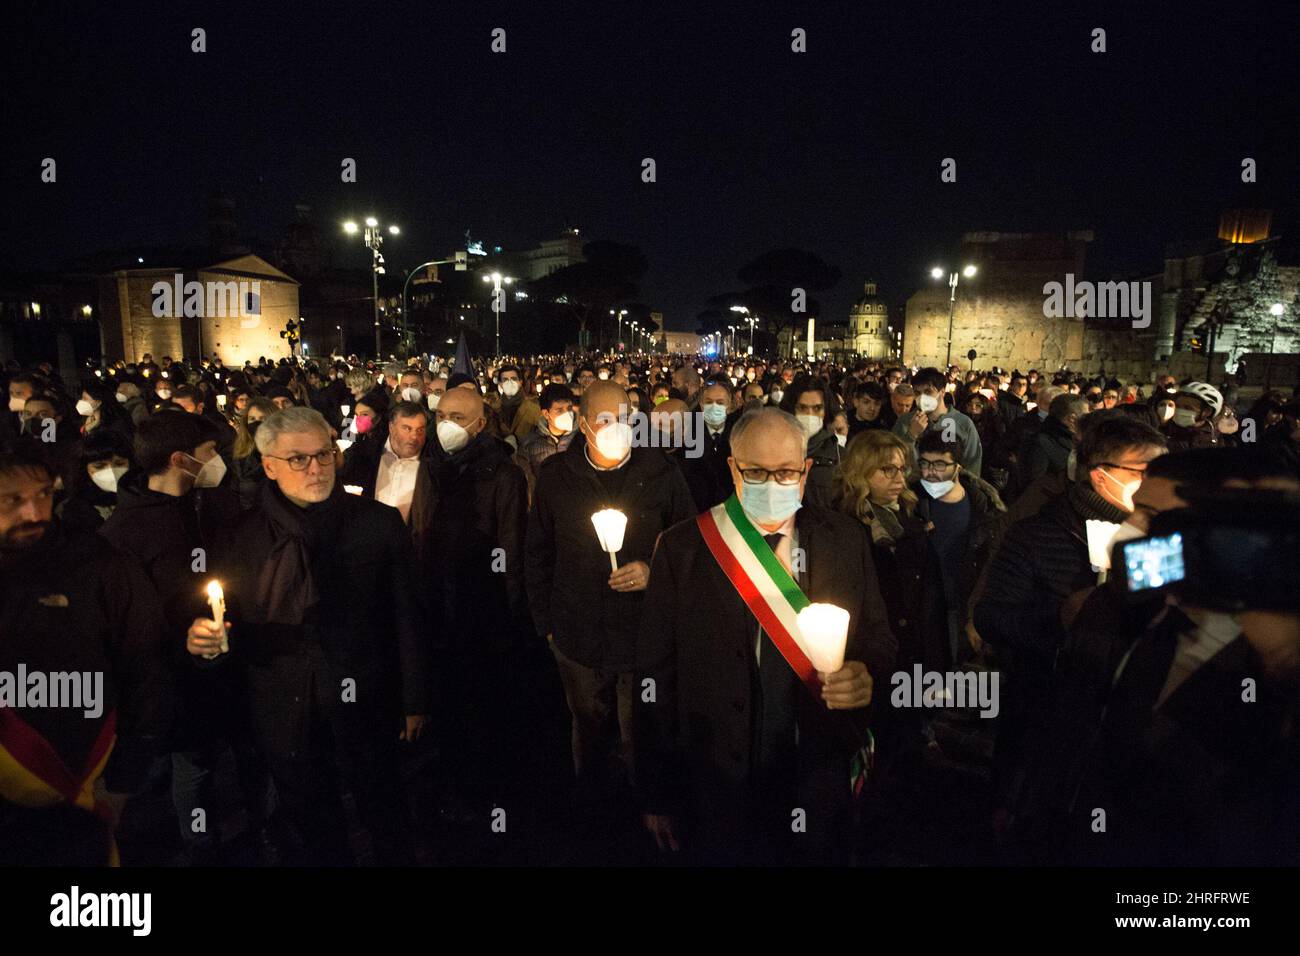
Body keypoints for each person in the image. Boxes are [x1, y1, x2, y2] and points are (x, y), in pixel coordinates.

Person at [635, 408, 897, 864]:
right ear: (733, 467)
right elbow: (656, 675)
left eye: (786, 472)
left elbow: (878, 638)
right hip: (716, 778)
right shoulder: (685, 547)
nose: (772, 483)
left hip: (813, 769)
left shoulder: (845, 539)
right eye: (756, 472)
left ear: (806, 470)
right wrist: (658, 792)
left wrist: (866, 672)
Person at [185, 407, 429, 865]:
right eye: (298, 459)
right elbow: (222, 622)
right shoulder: (239, 537)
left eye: (323, 454)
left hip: (367, 700)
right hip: (283, 706)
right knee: (314, 821)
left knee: (386, 809)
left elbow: (406, 616)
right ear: (270, 465)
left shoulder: (376, 523)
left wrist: (414, 699)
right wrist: (206, 645)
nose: (315, 468)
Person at [525, 380, 695, 835]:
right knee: (588, 727)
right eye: (603, 420)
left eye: (623, 418)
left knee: (641, 729)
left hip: (643, 636)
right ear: (583, 424)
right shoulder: (557, 476)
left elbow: (690, 547)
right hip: (577, 636)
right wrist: (548, 626)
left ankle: (650, 810)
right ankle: (593, 813)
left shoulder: (661, 472)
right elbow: (537, 552)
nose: (615, 428)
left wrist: (653, 571)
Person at [0, 448, 172, 865]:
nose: (34, 512)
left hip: (82, 779)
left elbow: (145, 664)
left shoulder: (99, 565)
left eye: (42, 494)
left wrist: (124, 779)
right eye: (11, 500)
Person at [425, 385, 533, 811]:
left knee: (484, 707)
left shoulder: (501, 473)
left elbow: (508, 547)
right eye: (442, 415)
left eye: (458, 417)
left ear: (481, 424)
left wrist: (505, 610)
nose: (447, 424)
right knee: (449, 703)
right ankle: (452, 783)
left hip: (482, 610)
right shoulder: (431, 466)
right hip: (440, 605)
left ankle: (490, 792)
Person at [911, 431, 1007, 666]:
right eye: (925, 463)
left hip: (964, 604)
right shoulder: (910, 501)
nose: (931, 472)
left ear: (958, 466)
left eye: (940, 464)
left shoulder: (984, 507)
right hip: (923, 606)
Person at [893, 367, 983, 478]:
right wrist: (911, 436)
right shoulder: (904, 421)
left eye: (928, 392)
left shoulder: (963, 423)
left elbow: (972, 466)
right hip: (914, 490)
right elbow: (895, 460)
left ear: (942, 392)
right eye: (917, 392)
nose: (922, 398)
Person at [57, 429, 133, 533]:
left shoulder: (143, 492)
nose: (111, 471)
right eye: (100, 466)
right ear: (84, 469)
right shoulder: (77, 512)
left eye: (119, 464)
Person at [781, 378, 842, 507]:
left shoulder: (840, 456)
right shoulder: (774, 451)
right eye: (802, 408)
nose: (810, 415)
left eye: (817, 408)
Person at [678, 380, 733, 512]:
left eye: (720, 402)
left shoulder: (739, 435)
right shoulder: (687, 436)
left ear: (729, 406)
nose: (714, 407)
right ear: (701, 406)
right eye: (709, 402)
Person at [517, 383, 578, 500]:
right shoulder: (529, 443)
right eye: (559, 410)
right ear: (546, 414)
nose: (567, 414)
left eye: (569, 409)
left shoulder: (581, 439)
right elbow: (529, 482)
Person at [1026, 393, 1086, 480]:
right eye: (1085, 415)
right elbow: (1034, 481)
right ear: (1072, 418)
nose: (1088, 419)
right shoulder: (1041, 442)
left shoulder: (1077, 438)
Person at [1162, 381, 1221, 451]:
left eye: (1188, 408)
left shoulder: (1215, 441)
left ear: (1207, 412)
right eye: (1177, 406)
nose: (1180, 410)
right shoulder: (1164, 431)